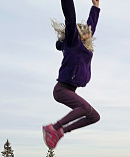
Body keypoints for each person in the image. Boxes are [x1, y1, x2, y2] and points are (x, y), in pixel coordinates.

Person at [43, 0, 101, 149]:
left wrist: (95, 7)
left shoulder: (84, 47)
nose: (90, 33)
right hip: (61, 90)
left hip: (69, 90)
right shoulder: (73, 42)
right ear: (80, 34)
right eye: (86, 32)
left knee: (94, 116)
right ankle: (53, 128)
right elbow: (70, 17)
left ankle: (61, 131)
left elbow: (91, 26)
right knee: (84, 108)